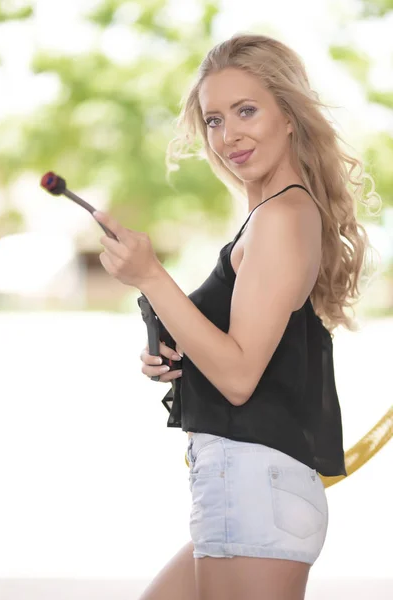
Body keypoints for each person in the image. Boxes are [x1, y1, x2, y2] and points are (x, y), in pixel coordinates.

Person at [137, 32, 381, 600]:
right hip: (247, 488)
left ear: (289, 115)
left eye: (247, 110)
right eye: (214, 119)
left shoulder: (283, 215)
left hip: (251, 484)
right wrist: (180, 355)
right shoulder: (278, 215)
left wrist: (150, 275)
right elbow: (242, 352)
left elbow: (240, 376)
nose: (229, 135)